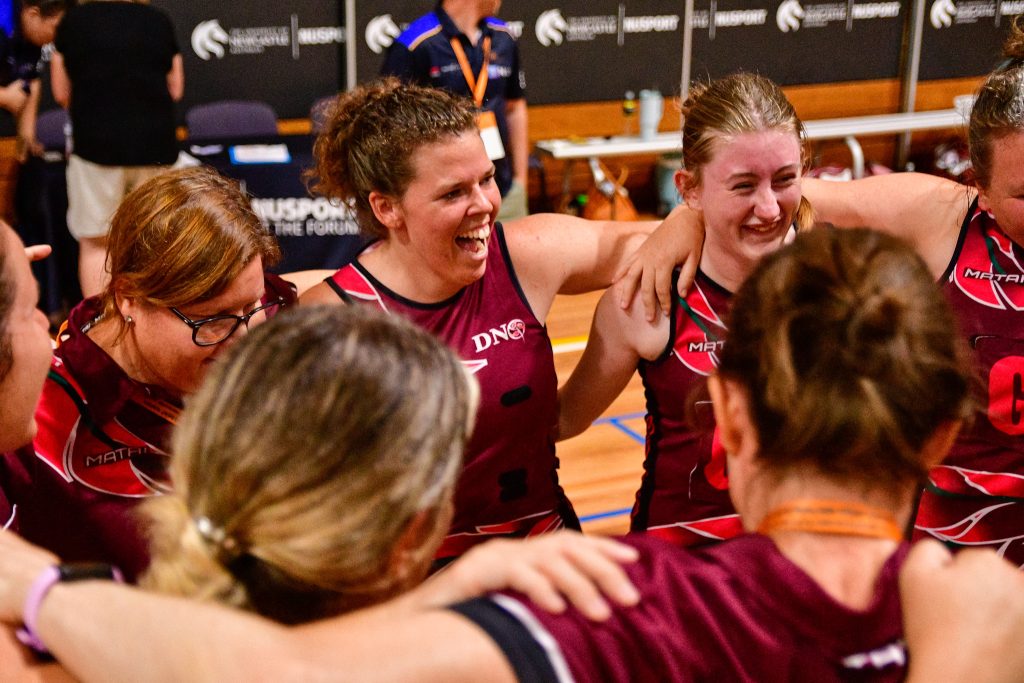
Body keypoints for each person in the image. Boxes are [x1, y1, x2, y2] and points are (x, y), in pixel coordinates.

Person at [1, 228, 1019, 683]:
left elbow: (273, 671)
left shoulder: (608, 601)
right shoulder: (989, 613)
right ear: (939, 435)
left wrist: (40, 589)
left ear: (730, 422)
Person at [624, 20, 1024, 565]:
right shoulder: (946, 216)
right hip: (950, 546)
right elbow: (774, 188)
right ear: (978, 180)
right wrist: (684, 218)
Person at [300, 79, 693, 564]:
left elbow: (640, 246)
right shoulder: (334, 318)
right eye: (453, 193)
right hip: (422, 580)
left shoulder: (523, 255)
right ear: (387, 208)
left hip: (543, 552)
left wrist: (686, 219)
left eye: (486, 179)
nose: (486, 204)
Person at [0, 166, 294, 581]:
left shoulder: (252, 314)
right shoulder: (33, 412)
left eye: (253, 306)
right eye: (210, 320)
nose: (243, 339)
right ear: (128, 299)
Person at [558, 73, 810, 546]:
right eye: (742, 186)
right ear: (688, 190)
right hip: (680, 570)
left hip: (799, 564)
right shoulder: (647, 298)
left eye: (784, 180)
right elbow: (564, 419)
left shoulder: (839, 276)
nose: (770, 208)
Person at [51, 0, 184, 297]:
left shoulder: (73, 22)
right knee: (158, 239)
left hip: (96, 148)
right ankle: (160, 316)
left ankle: (100, 330)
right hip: (156, 148)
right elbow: (175, 88)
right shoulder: (157, 20)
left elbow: (61, 92)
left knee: (98, 243)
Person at [381, 0, 530, 221]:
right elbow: (391, 124)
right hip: (447, 196)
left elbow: (514, 108)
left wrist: (521, 181)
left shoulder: (503, 36)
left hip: (502, 189)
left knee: (509, 254)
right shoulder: (415, 44)